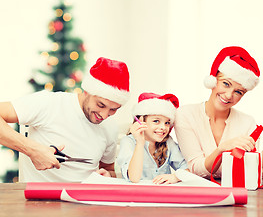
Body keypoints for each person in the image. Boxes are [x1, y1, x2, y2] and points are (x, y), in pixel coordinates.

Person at [174, 46, 263, 179]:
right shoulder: (185, 115)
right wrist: (222, 149)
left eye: (238, 92)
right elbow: (197, 169)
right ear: (213, 80)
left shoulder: (247, 123)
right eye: (226, 84)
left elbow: (256, 172)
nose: (228, 95)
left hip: (237, 195)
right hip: (197, 195)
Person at [0, 57, 130, 182]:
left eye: (113, 109)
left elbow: (108, 169)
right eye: (100, 105)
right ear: (87, 91)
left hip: (84, 201)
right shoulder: (49, 103)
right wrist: (32, 150)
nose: (104, 115)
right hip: (39, 200)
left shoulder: (110, 126)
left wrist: (107, 176)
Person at [117, 92, 188, 184]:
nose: (163, 127)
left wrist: (175, 177)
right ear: (140, 120)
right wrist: (140, 143)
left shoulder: (168, 142)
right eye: (156, 121)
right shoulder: (128, 142)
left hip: (162, 195)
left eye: (167, 123)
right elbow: (134, 178)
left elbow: (188, 169)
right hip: (136, 195)